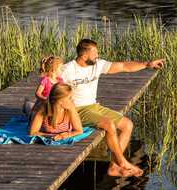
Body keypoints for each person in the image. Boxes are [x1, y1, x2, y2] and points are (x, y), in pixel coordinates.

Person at [61, 39, 165, 177]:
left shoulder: (97, 65)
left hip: (93, 106)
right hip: (77, 110)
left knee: (127, 125)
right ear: (84, 55)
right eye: (94, 53)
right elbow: (51, 89)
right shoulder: (67, 70)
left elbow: (123, 66)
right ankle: (123, 163)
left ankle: (114, 167)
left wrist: (147, 64)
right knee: (109, 125)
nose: (97, 55)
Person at [23, 56, 64, 120]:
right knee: (33, 117)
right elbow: (37, 93)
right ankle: (27, 106)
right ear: (53, 70)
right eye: (61, 68)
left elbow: (63, 91)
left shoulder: (60, 80)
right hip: (44, 104)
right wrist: (44, 99)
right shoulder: (45, 80)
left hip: (55, 104)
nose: (62, 70)